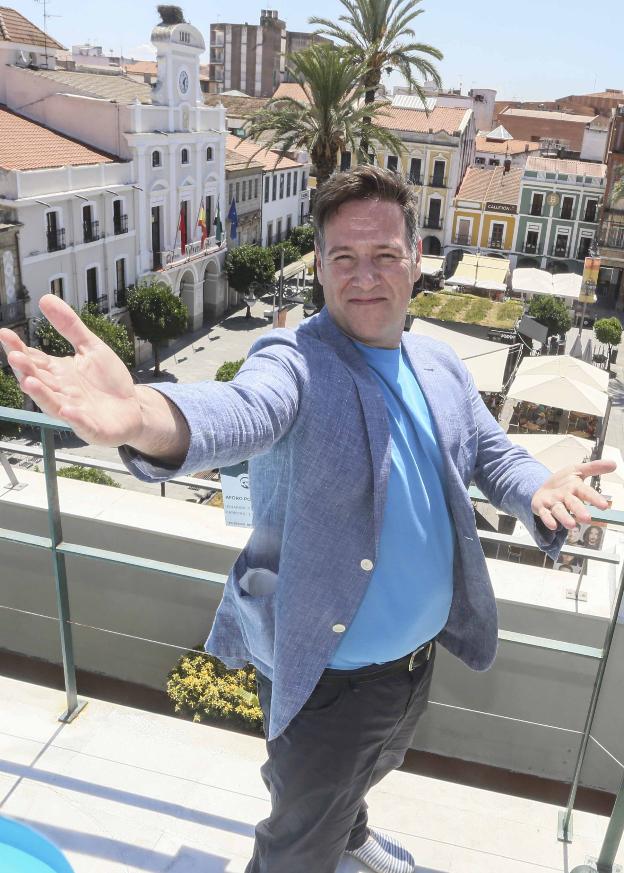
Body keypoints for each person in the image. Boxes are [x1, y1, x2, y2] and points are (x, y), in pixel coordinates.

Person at [0, 165, 615, 873]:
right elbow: (244, 410)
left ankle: (350, 830)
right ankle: (325, 834)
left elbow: (488, 451)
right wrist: (142, 415)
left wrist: (538, 487)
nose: (365, 276)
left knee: (360, 774)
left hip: (415, 664)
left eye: (385, 254)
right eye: (344, 258)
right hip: (330, 681)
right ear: (319, 266)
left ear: (416, 259)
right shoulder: (293, 362)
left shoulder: (439, 361)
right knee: (297, 843)